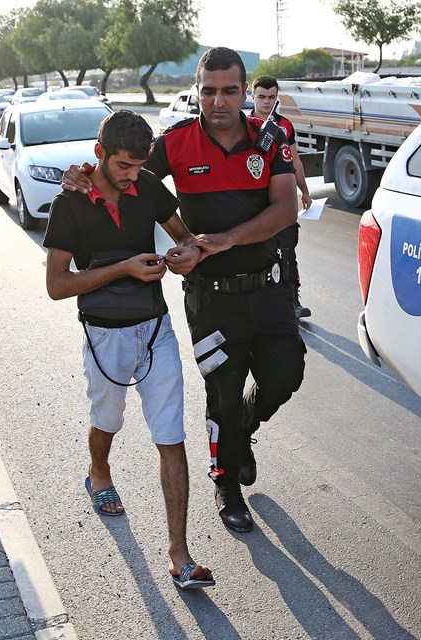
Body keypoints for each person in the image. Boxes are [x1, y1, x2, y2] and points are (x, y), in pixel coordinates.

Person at [62, 47, 306, 534]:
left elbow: (285, 209)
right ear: (198, 92)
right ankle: (228, 482)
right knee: (222, 389)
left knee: (285, 376)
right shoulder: (174, 144)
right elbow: (120, 169)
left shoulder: (270, 139)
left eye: (230, 91)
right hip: (210, 296)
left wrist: (226, 240)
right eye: (209, 91)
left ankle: (244, 426)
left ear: (244, 92)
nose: (219, 101)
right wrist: (81, 176)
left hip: (270, 289)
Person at [43, 110, 214, 589]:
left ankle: (179, 556)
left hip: (156, 327)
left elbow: (183, 237)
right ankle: (99, 469)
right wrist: (124, 269)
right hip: (104, 335)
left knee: (171, 435)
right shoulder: (70, 203)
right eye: (122, 166)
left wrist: (185, 255)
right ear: (99, 154)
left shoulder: (148, 184)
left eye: (138, 166)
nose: (131, 175)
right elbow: (57, 285)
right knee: (108, 420)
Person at [251, 75, 312, 319]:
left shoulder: (285, 126)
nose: (267, 102)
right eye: (262, 97)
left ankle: (292, 302)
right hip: (255, 204)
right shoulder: (242, 125)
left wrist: (305, 192)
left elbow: (295, 160)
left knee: (288, 253)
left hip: (282, 203)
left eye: (272, 97)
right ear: (252, 96)